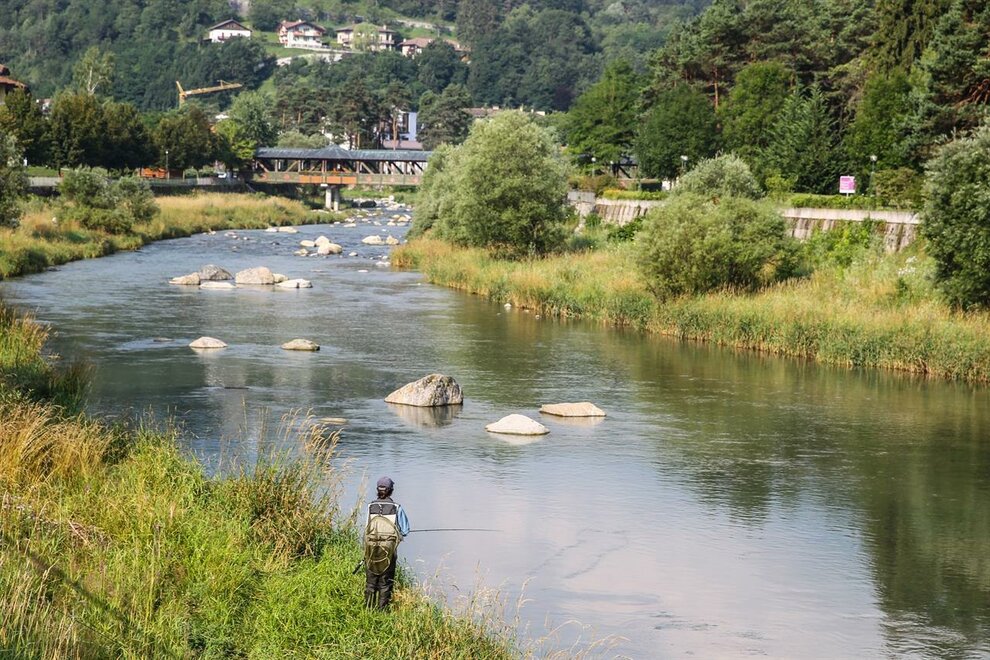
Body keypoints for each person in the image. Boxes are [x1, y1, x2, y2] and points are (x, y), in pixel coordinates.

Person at [364, 476, 410, 609]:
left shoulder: (370, 506)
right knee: (385, 582)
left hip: (370, 549)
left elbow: (367, 527)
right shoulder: (396, 507)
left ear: (377, 490)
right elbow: (405, 530)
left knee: (371, 582)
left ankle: (368, 609)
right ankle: (382, 611)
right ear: (391, 491)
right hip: (389, 550)